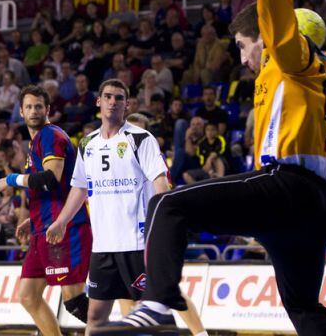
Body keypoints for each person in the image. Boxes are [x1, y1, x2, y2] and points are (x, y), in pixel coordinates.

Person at [104, 0, 326, 333]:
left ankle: (157, 300)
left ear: (268, 37)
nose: (243, 58)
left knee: (167, 205)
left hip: (287, 187)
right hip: (320, 202)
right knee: (304, 307)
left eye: (244, 46)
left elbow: (276, 18)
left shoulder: (287, 55)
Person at [45, 79, 207, 335]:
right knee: (96, 318)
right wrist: (62, 221)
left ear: (127, 104)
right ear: (98, 102)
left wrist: (165, 228)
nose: (112, 102)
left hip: (137, 244)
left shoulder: (141, 138)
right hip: (103, 247)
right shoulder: (87, 144)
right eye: (107, 96)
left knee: (157, 316)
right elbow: (80, 188)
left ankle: (200, 333)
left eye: (118, 98)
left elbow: (160, 184)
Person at [0, 86, 91, 334]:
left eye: (39, 106)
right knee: (28, 296)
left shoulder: (50, 135)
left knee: (74, 302)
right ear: (21, 112)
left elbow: (51, 179)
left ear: (48, 110)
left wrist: (12, 179)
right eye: (29, 107)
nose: (34, 111)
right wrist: (32, 220)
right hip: (42, 230)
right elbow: (43, 189)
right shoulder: (36, 141)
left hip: (64, 228)